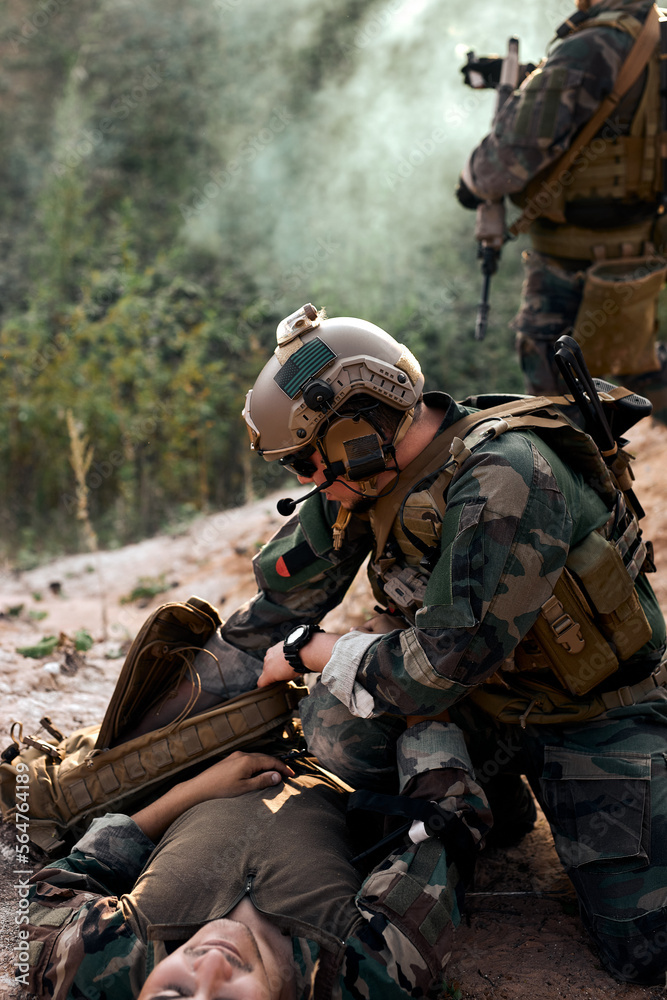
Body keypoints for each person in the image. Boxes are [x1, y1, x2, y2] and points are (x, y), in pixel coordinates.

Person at [193, 301, 667, 986]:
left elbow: (439, 666)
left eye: (304, 459)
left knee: (645, 951)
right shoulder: (362, 472)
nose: (303, 479)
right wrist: (167, 724)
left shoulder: (504, 475)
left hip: (594, 718)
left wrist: (317, 652)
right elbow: (274, 612)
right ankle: (486, 804)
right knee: (333, 722)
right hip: (488, 702)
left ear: (356, 424)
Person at [26, 725, 491, 1000]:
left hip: (222, 740)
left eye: (174, 995)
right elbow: (446, 819)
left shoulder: (98, 960)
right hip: (367, 765)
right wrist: (415, 693)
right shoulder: (370, 966)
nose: (208, 967)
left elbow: (49, 889)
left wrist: (194, 790)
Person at [456, 0, 667, 422]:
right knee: (639, 363)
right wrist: (533, 76)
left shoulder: (589, 44)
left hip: (571, 267)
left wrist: (470, 183)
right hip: (644, 248)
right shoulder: (656, 30)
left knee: (555, 410)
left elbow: (503, 162)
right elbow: (618, 92)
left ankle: (582, 481)